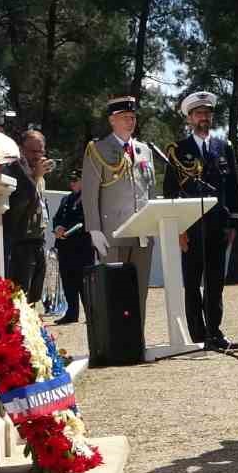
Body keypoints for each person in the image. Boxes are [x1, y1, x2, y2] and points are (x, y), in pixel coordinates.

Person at [163, 91, 238, 352]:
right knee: (192, 281)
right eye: (198, 114)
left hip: (217, 225)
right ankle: (198, 335)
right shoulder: (179, 150)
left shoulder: (224, 147)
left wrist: (234, 223)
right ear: (189, 118)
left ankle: (215, 333)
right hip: (191, 226)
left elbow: (232, 187)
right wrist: (178, 228)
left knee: (214, 282)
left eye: (207, 114)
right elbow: (170, 191)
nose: (204, 118)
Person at [80, 96, 156, 336]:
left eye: (133, 117)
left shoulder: (144, 150)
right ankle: (116, 341)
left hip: (142, 232)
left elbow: (150, 190)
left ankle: (137, 339)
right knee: (114, 290)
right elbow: (90, 192)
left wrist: (154, 223)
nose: (130, 121)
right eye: (124, 117)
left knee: (139, 289)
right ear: (112, 120)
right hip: (112, 232)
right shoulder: (98, 149)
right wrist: (94, 229)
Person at [3, 129, 53, 300]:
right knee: (20, 298)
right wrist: (34, 176)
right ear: (21, 149)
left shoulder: (39, 174)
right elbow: (19, 203)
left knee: (35, 296)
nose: (38, 156)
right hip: (20, 243)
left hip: (38, 241)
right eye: (33, 151)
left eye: (41, 151)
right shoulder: (14, 169)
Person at [52, 167, 94, 325]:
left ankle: (91, 314)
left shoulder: (88, 199)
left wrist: (67, 230)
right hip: (65, 247)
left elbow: (85, 220)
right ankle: (71, 312)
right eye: (71, 181)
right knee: (68, 281)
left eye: (75, 180)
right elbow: (57, 218)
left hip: (82, 247)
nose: (72, 184)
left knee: (85, 283)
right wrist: (57, 228)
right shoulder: (66, 199)